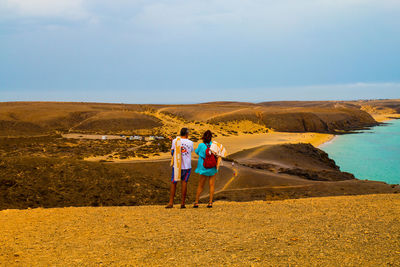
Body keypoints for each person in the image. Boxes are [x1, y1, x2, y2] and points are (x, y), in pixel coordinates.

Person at [165, 128, 194, 209]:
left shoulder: (175, 141)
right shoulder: (190, 142)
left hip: (177, 165)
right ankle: (182, 203)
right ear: (187, 134)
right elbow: (190, 151)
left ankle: (171, 203)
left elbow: (172, 152)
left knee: (174, 183)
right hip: (187, 166)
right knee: (184, 183)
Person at [193, 130, 219, 208]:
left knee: (200, 185)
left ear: (203, 137)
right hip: (212, 167)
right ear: (211, 137)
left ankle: (196, 202)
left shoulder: (201, 145)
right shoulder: (214, 145)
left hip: (203, 167)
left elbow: (197, 152)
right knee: (211, 185)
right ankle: (210, 203)